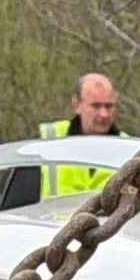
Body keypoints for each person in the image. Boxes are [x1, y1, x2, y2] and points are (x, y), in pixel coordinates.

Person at [34, 71, 122, 199]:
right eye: (96, 106)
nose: (104, 114)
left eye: (109, 106)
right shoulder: (46, 141)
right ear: (76, 105)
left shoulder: (131, 149)